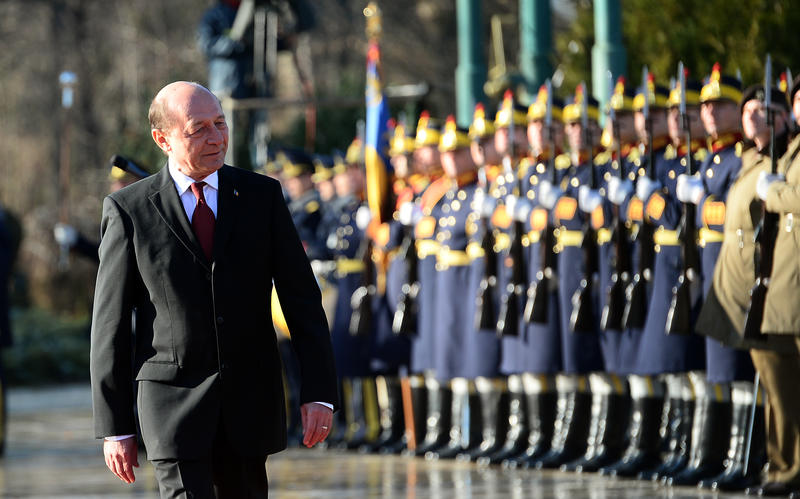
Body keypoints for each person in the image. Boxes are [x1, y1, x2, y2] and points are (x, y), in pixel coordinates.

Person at [90, 81, 338, 498]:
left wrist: (319, 391)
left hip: (249, 402)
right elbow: (110, 324)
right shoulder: (129, 210)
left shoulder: (261, 196)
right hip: (172, 407)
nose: (216, 138)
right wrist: (115, 425)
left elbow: (301, 299)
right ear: (162, 138)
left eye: (220, 124)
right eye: (198, 128)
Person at [743, 73, 800, 498]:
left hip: (791, 285)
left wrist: (775, 194)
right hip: (777, 284)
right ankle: (781, 466)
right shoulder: (782, 154)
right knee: (776, 385)